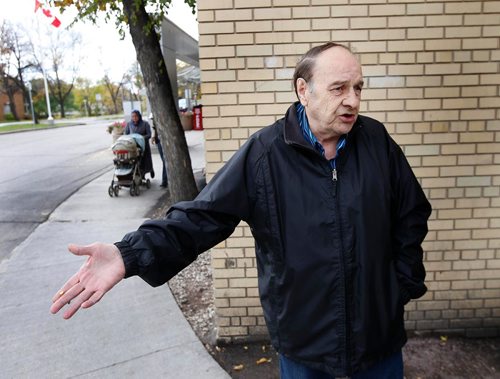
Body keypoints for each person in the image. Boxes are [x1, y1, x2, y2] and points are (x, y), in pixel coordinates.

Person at [51, 42, 431, 379]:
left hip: (377, 338)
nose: (353, 100)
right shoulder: (265, 154)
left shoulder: (377, 141)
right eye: (339, 88)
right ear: (304, 90)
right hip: (305, 342)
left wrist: (401, 283)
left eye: (358, 88)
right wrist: (129, 253)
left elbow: (411, 212)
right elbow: (203, 216)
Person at [124, 110, 154, 180]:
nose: (134, 118)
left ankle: (150, 170)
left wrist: (141, 137)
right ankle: (138, 175)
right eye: (132, 116)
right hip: (133, 146)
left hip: (143, 145)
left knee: (145, 161)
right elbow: (126, 134)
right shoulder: (129, 124)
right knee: (135, 161)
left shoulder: (145, 124)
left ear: (139, 116)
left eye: (135, 116)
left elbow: (149, 134)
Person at [149, 113, 168, 188]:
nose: (153, 120)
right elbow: (154, 128)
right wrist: (153, 137)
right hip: (159, 141)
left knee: (165, 160)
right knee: (164, 160)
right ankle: (165, 180)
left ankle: (165, 180)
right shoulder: (155, 122)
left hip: (165, 140)